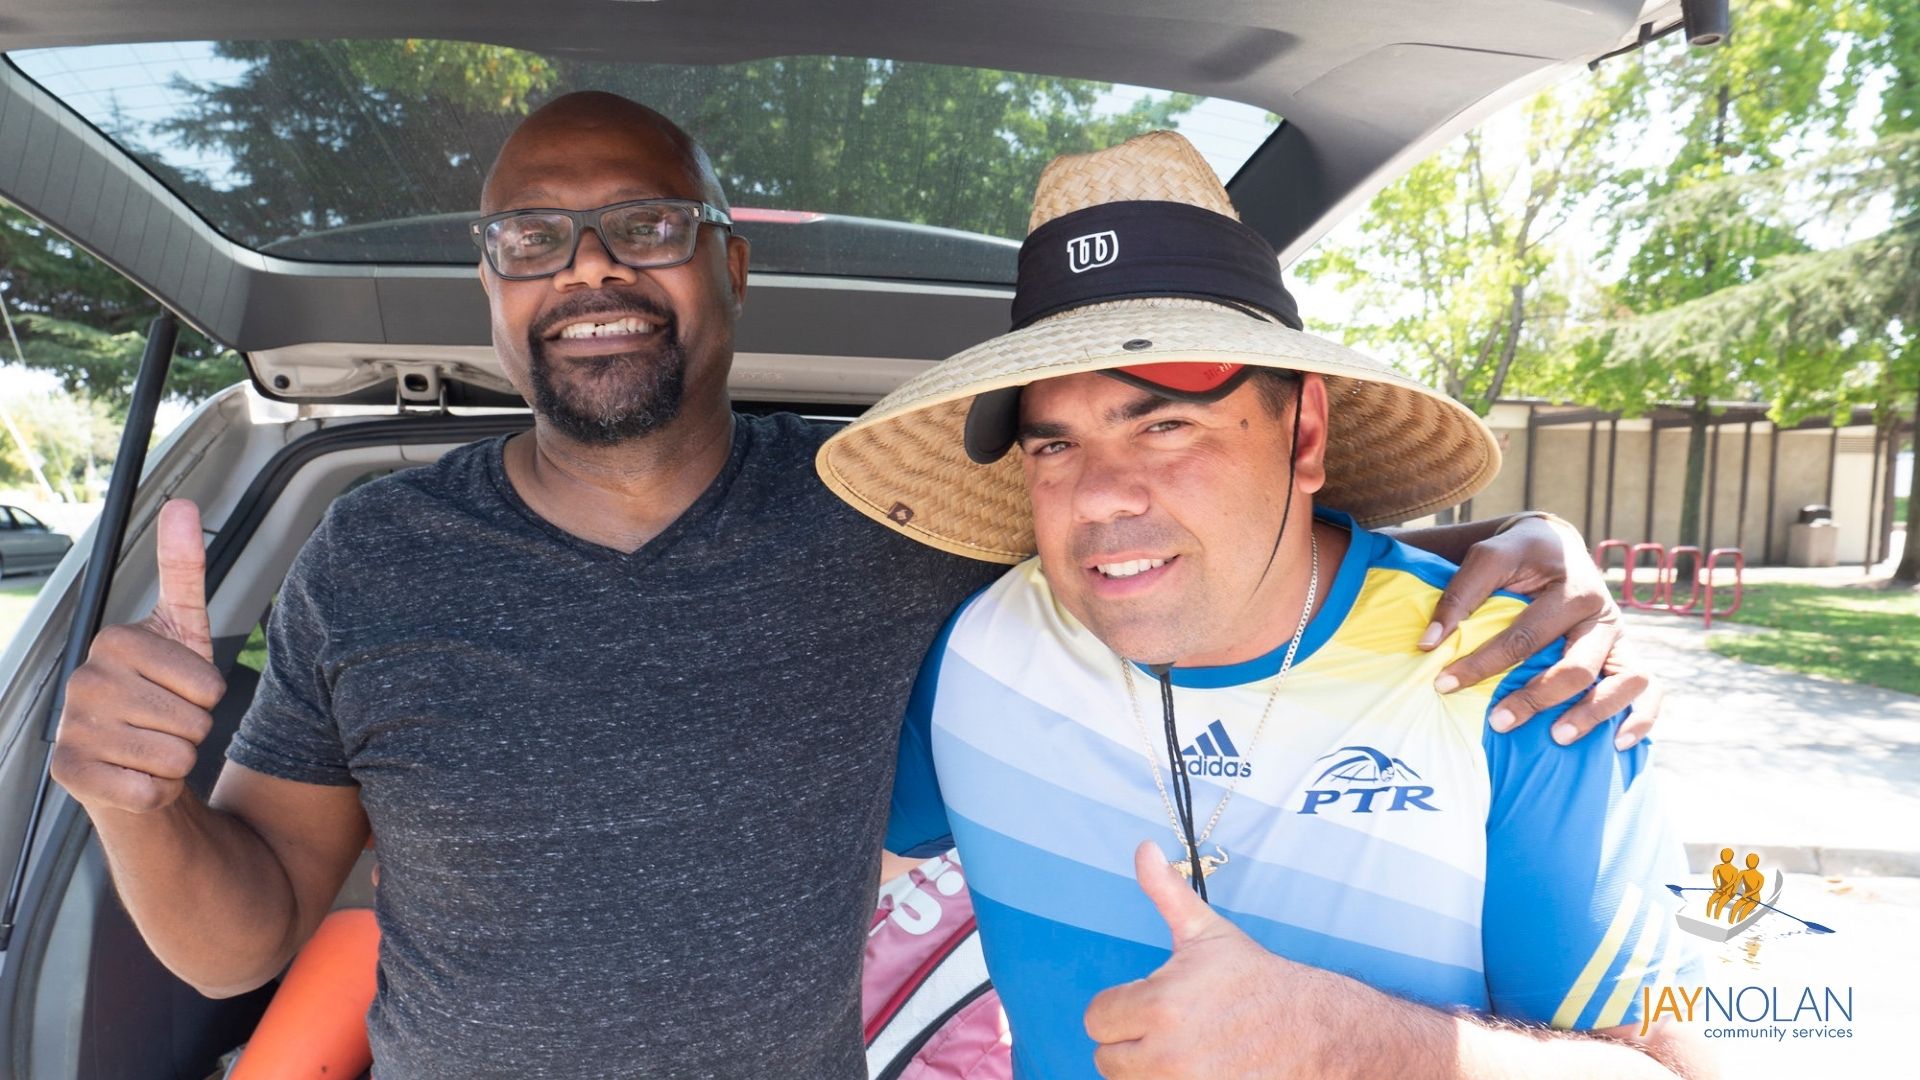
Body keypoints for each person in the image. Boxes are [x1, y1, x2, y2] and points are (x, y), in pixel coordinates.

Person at [51, 94, 1652, 1078]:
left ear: (729, 262)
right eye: (532, 237)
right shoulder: (370, 557)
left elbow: (1201, 568)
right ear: (487, 286)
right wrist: (136, 803)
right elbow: (236, 944)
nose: (590, 268)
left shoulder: (897, 545)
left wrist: (1514, 558)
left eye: (646, 225)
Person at [824, 131, 1709, 1078]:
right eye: (1053, 446)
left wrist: (1340, 1041)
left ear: (1304, 432)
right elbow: (795, 889)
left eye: (1165, 424)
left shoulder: (1523, 681)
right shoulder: (974, 651)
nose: (1098, 496)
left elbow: (1673, 1067)